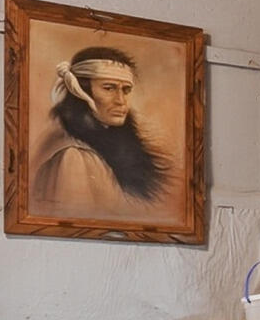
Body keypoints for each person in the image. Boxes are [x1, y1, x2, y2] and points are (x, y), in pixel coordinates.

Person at [31, 45, 168, 218]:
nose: (121, 101)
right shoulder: (72, 156)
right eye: (109, 88)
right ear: (80, 91)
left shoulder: (113, 147)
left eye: (126, 90)